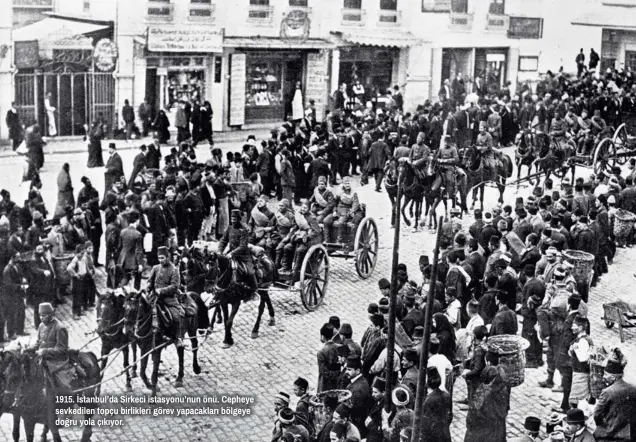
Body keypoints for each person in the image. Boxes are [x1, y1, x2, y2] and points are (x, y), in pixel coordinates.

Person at [593, 348, 636, 441]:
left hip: (611, 434)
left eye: (605, 374)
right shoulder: (633, 388)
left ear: (613, 377)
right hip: (630, 434)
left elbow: (597, 415)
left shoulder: (607, 392)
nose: (603, 377)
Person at [146, 246, 184, 344]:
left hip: (169, 298)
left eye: (162, 258)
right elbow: (150, 281)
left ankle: (178, 337)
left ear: (168, 257)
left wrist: (161, 291)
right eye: (159, 258)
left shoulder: (174, 270)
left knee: (176, 316)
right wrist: (148, 287)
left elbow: (175, 286)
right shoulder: (155, 268)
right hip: (154, 298)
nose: (161, 260)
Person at [218, 209, 257, 291]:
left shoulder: (244, 230)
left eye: (235, 219)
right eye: (231, 219)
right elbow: (223, 240)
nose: (233, 221)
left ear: (239, 219)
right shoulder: (229, 228)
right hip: (230, 253)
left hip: (243, 256)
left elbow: (243, 246)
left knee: (250, 272)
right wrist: (219, 251)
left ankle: (254, 289)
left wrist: (231, 254)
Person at [421, 366, 453, 442]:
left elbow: (426, 424)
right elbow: (450, 416)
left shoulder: (429, 400)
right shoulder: (447, 395)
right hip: (445, 433)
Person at [67, 242, 95, 320]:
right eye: (80, 253)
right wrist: (75, 274)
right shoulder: (75, 260)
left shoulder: (83, 258)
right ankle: (75, 313)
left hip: (84, 278)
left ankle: (80, 311)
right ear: (76, 253)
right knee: (76, 297)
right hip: (77, 280)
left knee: (83, 295)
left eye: (83, 253)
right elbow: (69, 268)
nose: (82, 255)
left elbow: (85, 266)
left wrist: (89, 272)